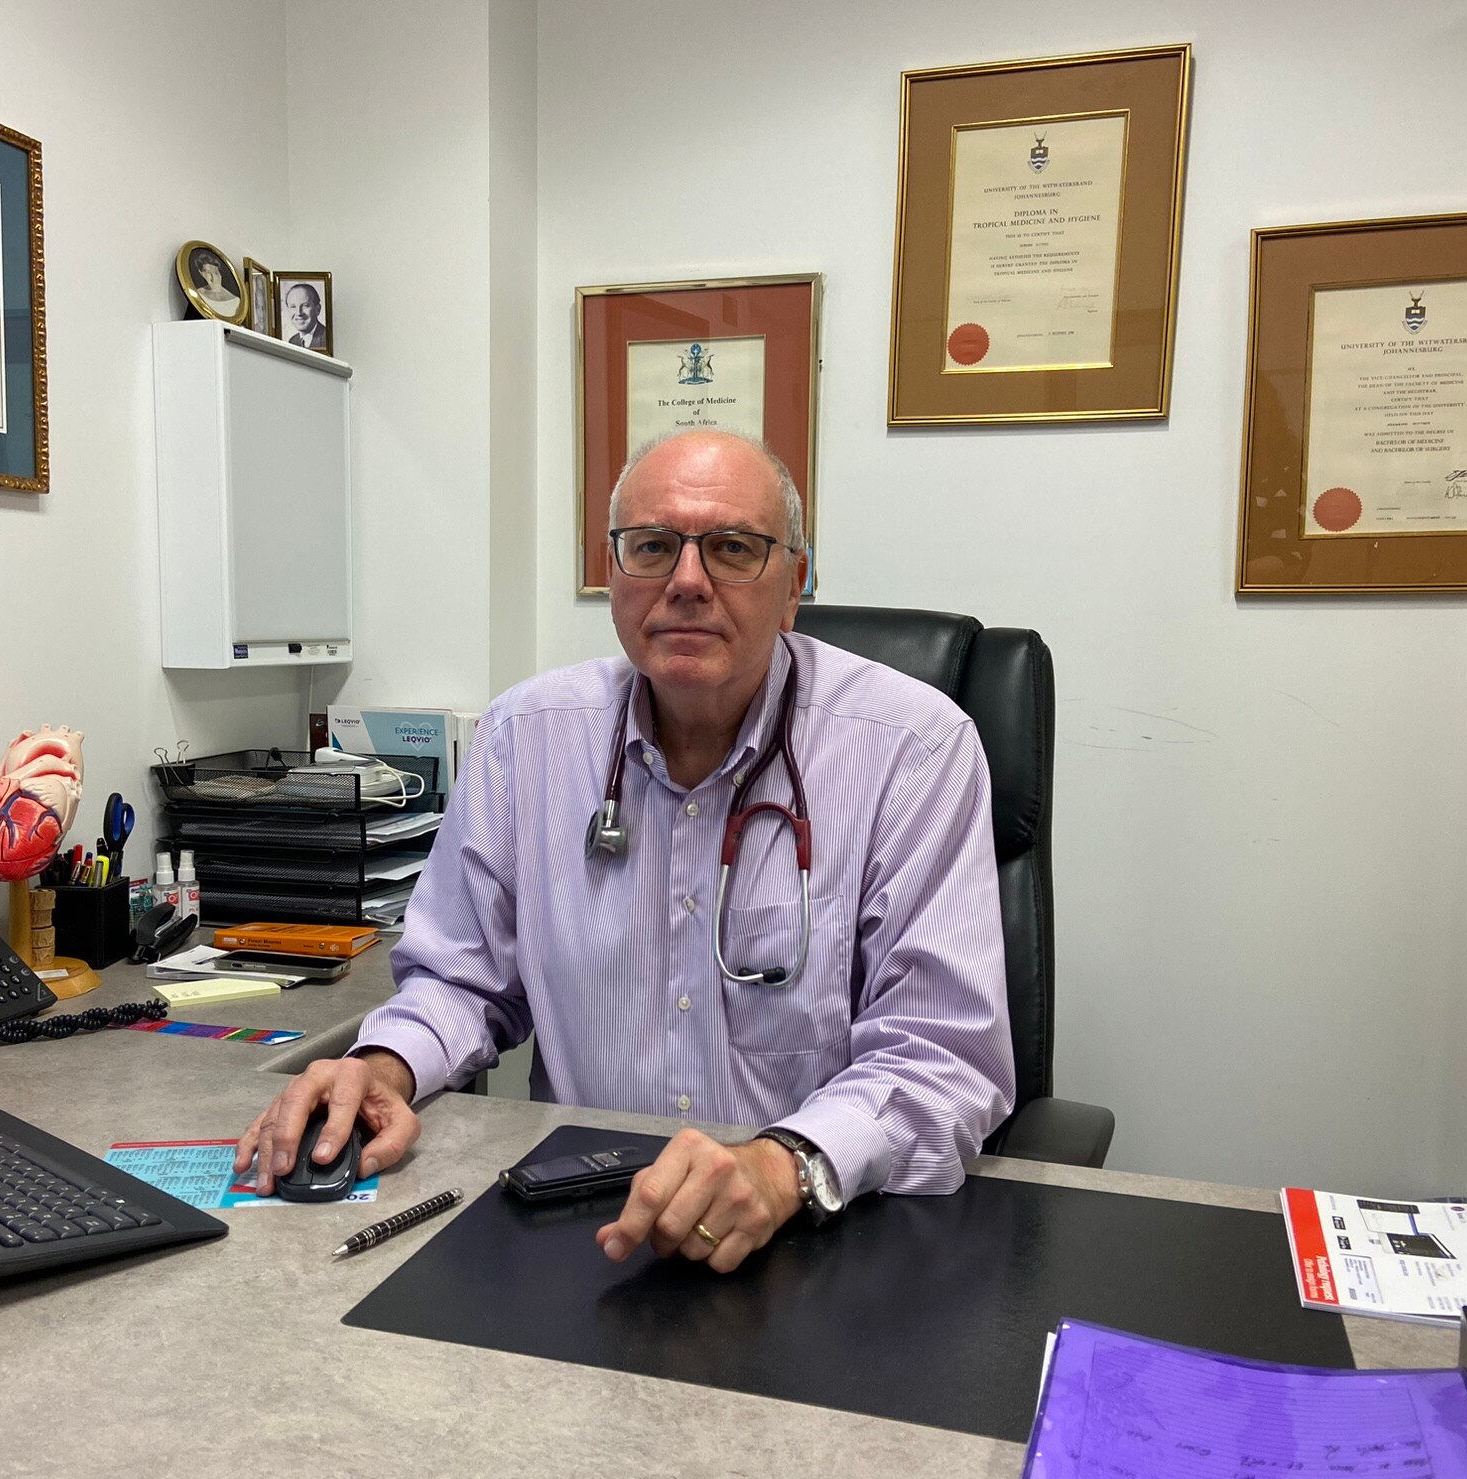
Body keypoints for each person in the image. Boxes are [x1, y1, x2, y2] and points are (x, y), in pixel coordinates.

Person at [235, 428, 1015, 1272]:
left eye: (731, 549)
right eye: (651, 547)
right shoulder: (524, 740)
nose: (685, 582)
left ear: (794, 585)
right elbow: (462, 981)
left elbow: (940, 1055)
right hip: (581, 1226)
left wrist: (783, 1163)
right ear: (614, 577)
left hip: (820, 1225)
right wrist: (383, 1067)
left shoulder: (914, 749)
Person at [280, 281, 327, 349]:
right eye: (293, 306)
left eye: (305, 306)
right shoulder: (293, 341)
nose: (299, 313)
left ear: (318, 309)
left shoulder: (328, 339)